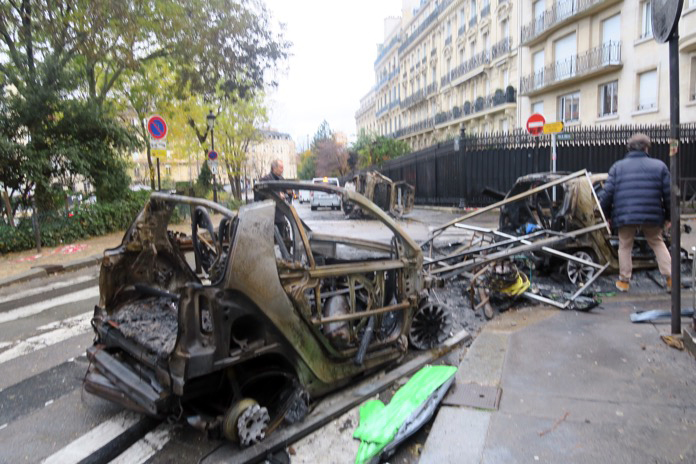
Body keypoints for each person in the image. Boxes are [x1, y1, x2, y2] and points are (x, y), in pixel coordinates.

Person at [599, 133, 672, 292]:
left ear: (629, 148)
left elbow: (607, 195)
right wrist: (669, 217)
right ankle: (670, 278)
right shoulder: (659, 166)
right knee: (657, 242)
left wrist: (607, 216)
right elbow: (668, 195)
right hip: (652, 214)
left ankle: (624, 281)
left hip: (625, 215)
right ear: (646, 148)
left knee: (625, 246)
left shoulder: (617, 167)